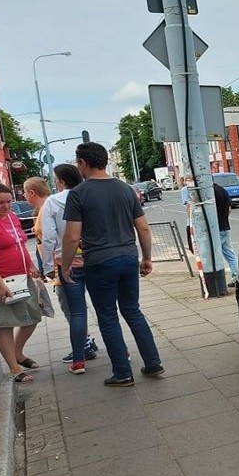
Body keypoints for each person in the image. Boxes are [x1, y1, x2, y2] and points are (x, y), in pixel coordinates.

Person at [61, 142, 164, 387]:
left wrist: (66, 266)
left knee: (108, 317)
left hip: (99, 262)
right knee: (132, 310)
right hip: (128, 258)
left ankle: (122, 373)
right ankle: (152, 362)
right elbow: (144, 228)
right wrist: (146, 258)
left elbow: (72, 236)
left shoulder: (78, 194)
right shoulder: (126, 189)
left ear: (83, 163)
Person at [0, 183, 42, 383]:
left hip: (21, 276)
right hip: (1, 280)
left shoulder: (11, 217)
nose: (6, 206)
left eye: (9, 201)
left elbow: (19, 243)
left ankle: (18, 352)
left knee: (32, 316)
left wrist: (30, 265)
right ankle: (13, 367)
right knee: (6, 324)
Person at [41, 164, 97, 375]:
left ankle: (79, 361)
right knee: (106, 310)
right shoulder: (89, 196)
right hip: (95, 259)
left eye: (56, 179)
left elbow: (48, 238)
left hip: (68, 263)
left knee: (77, 313)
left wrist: (48, 266)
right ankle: (122, 351)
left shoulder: (53, 202)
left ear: (62, 181)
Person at [212, 182, 238, 288]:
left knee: (214, 255)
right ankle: (237, 277)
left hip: (215, 229)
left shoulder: (210, 192)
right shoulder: (223, 190)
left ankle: (217, 280)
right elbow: (229, 209)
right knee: (230, 254)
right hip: (225, 226)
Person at [22, 176, 50, 276]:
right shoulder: (45, 208)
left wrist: (49, 267)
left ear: (32, 193)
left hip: (58, 267)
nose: (24, 196)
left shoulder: (47, 210)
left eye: (25, 192)